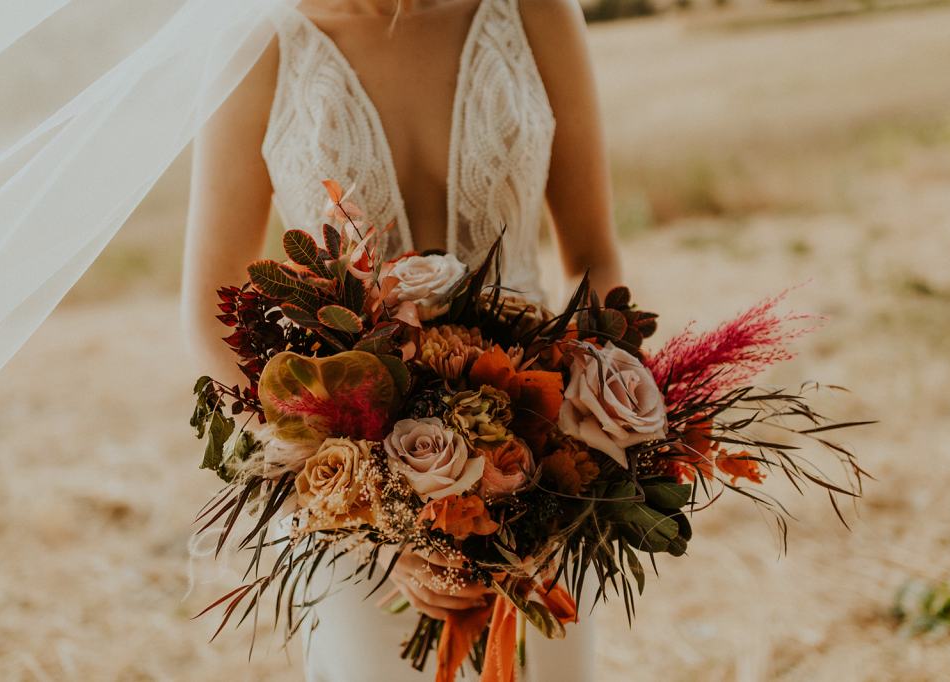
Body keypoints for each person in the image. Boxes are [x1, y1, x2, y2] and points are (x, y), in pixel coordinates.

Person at [180, 1, 621, 679]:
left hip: (547, 469)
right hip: (351, 493)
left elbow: (593, 257)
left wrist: (584, 443)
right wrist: (375, 515)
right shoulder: (258, 44)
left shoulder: (536, 11)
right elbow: (210, 311)